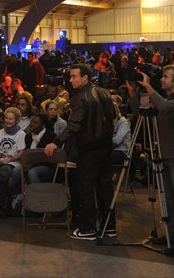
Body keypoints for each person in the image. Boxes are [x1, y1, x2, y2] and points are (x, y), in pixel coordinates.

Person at [127, 65, 174, 256]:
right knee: (169, 200)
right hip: (164, 155)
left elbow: (165, 108)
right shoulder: (164, 100)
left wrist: (149, 88)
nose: (162, 79)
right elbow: (141, 114)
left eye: (166, 77)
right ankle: (171, 236)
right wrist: (133, 93)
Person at [45, 64, 116, 240]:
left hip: (90, 148)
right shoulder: (104, 93)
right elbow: (113, 115)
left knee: (85, 187)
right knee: (104, 187)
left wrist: (55, 142)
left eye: (74, 76)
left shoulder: (80, 97)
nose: (70, 80)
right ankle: (109, 226)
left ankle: (88, 228)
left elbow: (74, 125)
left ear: (85, 78)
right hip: (106, 147)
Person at [0, 107, 26, 217]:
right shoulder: (0, 133)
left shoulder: (20, 134)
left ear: (16, 121)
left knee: (4, 172)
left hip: (13, 162)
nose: (7, 121)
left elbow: (21, 152)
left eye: (10, 119)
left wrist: (10, 159)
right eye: (6, 118)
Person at [25, 114, 56, 183]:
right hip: (29, 164)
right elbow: (26, 152)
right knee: (16, 171)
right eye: (31, 122)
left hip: (46, 166)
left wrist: (32, 165)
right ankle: (18, 193)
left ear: (43, 126)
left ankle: (38, 193)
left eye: (35, 123)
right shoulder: (28, 136)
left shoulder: (51, 136)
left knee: (32, 173)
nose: (32, 124)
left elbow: (49, 158)